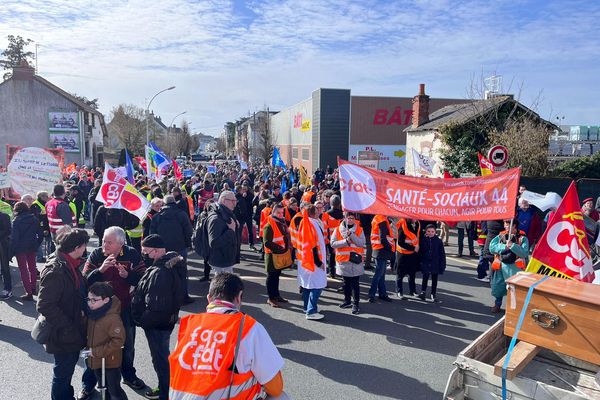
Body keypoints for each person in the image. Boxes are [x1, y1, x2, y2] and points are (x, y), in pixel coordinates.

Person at [169, 273, 286, 400]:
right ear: (239, 297)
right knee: (280, 397)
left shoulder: (188, 326)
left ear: (209, 298)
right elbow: (275, 387)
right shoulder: (249, 327)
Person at [80, 226, 146, 398]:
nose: (104, 245)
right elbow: (84, 279)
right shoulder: (96, 255)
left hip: (124, 308)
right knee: (94, 345)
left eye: (109, 242)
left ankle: (129, 376)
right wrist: (100, 270)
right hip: (98, 310)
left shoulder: (132, 254)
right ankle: (88, 383)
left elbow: (143, 279)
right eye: (103, 241)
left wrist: (128, 276)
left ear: (121, 243)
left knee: (127, 344)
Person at [37, 227, 90, 400]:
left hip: (70, 328)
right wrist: (68, 326)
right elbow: (45, 305)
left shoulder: (69, 263)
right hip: (63, 332)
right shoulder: (56, 270)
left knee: (66, 371)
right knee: (63, 372)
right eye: (83, 246)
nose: (85, 250)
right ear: (76, 248)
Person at [132, 235, 186, 400]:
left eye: (146, 252)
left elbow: (156, 307)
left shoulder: (160, 273)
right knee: (162, 359)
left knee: (161, 361)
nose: (144, 255)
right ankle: (165, 387)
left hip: (157, 326)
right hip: (164, 323)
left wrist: (142, 321)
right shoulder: (169, 265)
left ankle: (165, 393)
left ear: (156, 251)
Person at [84, 282, 128, 400]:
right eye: (88, 299)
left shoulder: (112, 318)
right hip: (96, 360)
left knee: (114, 390)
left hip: (110, 361)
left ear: (106, 300)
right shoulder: (92, 313)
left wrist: (97, 352)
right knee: (103, 387)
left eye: (94, 300)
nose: (90, 303)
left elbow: (118, 341)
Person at [150, 195, 193, 302]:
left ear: (164, 204)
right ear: (174, 202)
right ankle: (183, 297)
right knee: (181, 273)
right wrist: (187, 243)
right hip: (179, 248)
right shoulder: (181, 214)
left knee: (165, 273)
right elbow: (189, 231)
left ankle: (168, 297)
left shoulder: (157, 216)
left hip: (162, 250)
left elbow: (152, 235)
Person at [489, 219, 529, 313]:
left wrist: (512, 246)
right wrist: (504, 247)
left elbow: (524, 253)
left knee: (513, 289)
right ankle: (497, 304)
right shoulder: (501, 236)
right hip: (501, 266)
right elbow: (492, 248)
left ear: (514, 225)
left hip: (514, 268)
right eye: (505, 224)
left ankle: (513, 309)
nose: (505, 226)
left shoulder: (522, 238)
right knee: (498, 287)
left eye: (507, 224)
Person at [330, 211, 365, 315]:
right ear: (344, 218)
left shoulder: (359, 229)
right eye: (348, 218)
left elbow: (361, 243)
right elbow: (333, 244)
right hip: (344, 261)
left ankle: (356, 304)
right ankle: (347, 301)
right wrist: (346, 241)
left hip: (355, 261)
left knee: (355, 284)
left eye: (352, 218)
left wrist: (352, 235)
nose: (350, 220)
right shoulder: (337, 229)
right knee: (346, 283)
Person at [297, 205, 328, 320]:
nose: (319, 213)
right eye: (316, 211)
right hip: (312, 261)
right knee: (316, 285)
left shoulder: (305, 222)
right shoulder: (311, 224)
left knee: (307, 285)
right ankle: (311, 311)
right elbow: (313, 246)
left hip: (304, 260)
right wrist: (318, 262)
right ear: (312, 213)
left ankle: (307, 307)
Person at [10, 201, 42, 301]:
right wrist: (36, 243)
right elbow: (40, 234)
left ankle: (28, 292)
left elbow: (15, 238)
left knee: (23, 270)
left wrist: (12, 251)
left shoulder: (16, 221)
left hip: (20, 248)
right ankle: (33, 287)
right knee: (32, 268)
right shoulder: (34, 218)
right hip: (32, 246)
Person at [263, 202, 292, 308]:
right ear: (273, 212)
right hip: (272, 255)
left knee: (276, 276)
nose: (281, 215)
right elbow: (267, 242)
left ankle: (276, 295)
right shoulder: (269, 225)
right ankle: (271, 298)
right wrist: (280, 248)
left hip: (279, 254)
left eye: (282, 212)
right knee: (271, 277)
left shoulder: (281, 222)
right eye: (278, 213)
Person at [206, 191, 239, 274]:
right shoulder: (216, 218)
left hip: (226, 259)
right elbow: (213, 243)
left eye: (235, 201)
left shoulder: (226, 214)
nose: (235, 204)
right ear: (224, 201)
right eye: (232, 201)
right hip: (220, 262)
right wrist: (231, 231)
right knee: (222, 285)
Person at [368, 214, 395, 303]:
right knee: (379, 274)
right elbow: (383, 238)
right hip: (381, 250)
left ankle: (382, 294)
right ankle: (372, 294)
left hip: (379, 249)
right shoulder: (381, 220)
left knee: (381, 274)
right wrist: (390, 248)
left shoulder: (378, 218)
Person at [418, 224, 446, 302]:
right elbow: (421, 252)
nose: (430, 233)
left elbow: (442, 254)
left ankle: (433, 294)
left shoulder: (438, 241)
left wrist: (442, 264)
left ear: (435, 232)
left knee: (434, 279)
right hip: (426, 262)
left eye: (432, 231)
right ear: (426, 231)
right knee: (425, 277)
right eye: (429, 231)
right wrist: (420, 262)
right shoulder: (423, 240)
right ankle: (423, 292)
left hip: (435, 263)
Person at [394, 218, 420, 299]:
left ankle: (412, 291)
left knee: (412, 273)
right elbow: (400, 242)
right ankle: (399, 291)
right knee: (400, 274)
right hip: (402, 253)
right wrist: (413, 248)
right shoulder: (403, 225)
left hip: (412, 254)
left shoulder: (417, 224)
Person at [321, 195, 343, 280]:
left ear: (331, 203)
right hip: (341, 238)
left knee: (331, 256)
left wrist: (326, 239)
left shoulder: (326, 214)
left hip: (330, 238)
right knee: (341, 255)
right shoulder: (342, 214)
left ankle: (332, 272)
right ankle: (341, 272)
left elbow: (324, 228)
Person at [31, 190, 52, 262]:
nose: (47, 197)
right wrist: (43, 228)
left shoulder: (45, 203)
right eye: (46, 196)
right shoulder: (35, 205)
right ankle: (40, 257)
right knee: (39, 243)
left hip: (47, 226)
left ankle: (48, 257)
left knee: (48, 242)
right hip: (39, 227)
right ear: (41, 197)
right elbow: (37, 218)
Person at [0, 209, 12, 300]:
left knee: (5, 268)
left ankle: (8, 289)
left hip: (2, 245)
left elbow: (7, 230)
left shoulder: (4, 216)